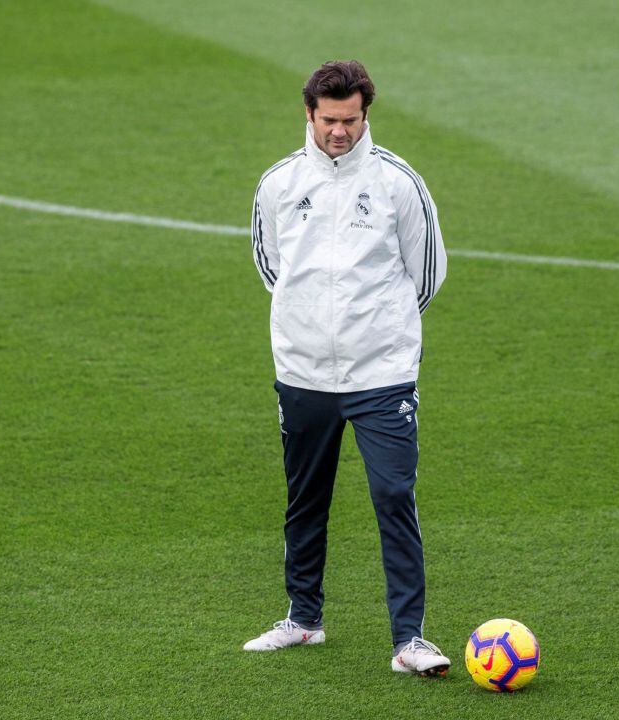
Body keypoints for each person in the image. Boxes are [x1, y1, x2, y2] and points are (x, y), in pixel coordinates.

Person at [245, 60, 449, 677]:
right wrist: (311, 326)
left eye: (352, 120)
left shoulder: (397, 183)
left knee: (393, 494)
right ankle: (303, 621)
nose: (340, 131)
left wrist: (377, 332)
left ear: (366, 116)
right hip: (303, 373)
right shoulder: (278, 184)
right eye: (330, 120)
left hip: (381, 374)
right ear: (309, 115)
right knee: (305, 498)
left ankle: (409, 639)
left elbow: (428, 272)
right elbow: (270, 268)